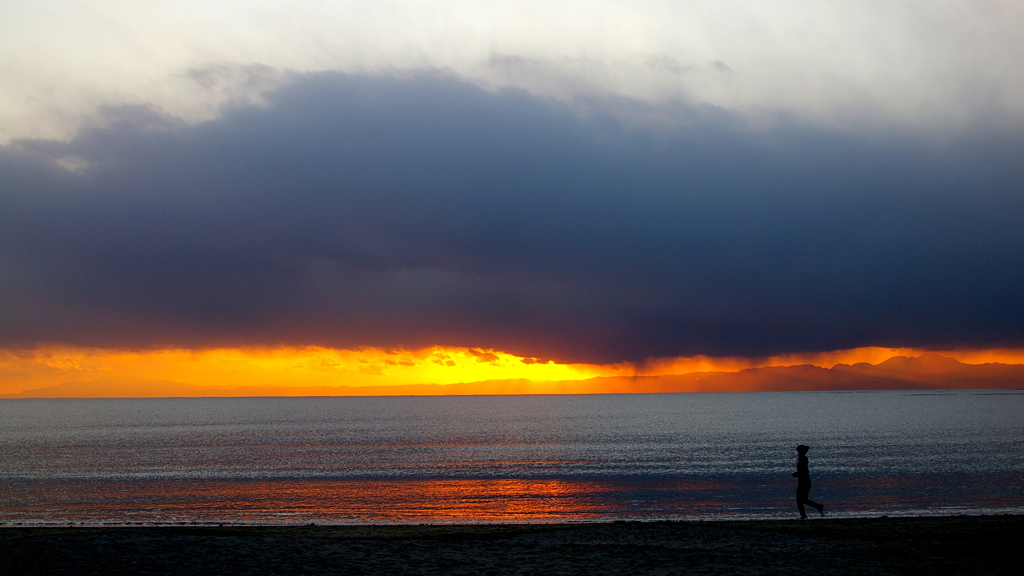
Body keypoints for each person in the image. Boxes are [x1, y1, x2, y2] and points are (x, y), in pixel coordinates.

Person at [792, 444, 824, 519]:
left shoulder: (803, 459)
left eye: (799, 451)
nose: (798, 453)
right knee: (802, 499)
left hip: (804, 482)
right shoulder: (802, 459)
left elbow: (804, 472)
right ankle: (806, 514)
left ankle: (807, 513)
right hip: (803, 481)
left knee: (800, 499)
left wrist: (796, 474)